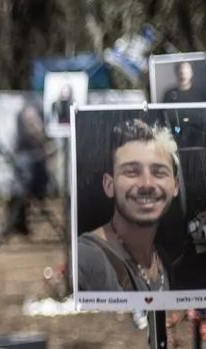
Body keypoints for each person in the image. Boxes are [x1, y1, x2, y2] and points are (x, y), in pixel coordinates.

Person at [75, 118, 180, 292]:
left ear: (175, 186)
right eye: (132, 172)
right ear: (109, 185)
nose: (147, 184)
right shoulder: (89, 257)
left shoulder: (163, 262)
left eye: (159, 172)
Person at [5, 103, 52, 236]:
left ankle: (20, 224)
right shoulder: (24, 114)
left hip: (35, 159)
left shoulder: (35, 112)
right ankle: (14, 223)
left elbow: (41, 134)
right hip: (24, 158)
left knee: (33, 192)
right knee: (19, 191)